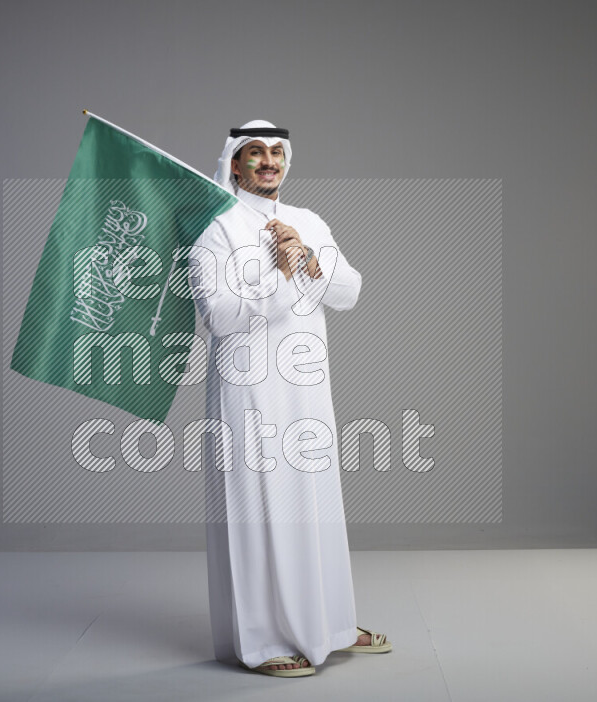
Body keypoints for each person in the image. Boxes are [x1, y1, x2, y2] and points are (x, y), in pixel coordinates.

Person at [188, 120, 391, 677]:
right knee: (256, 509)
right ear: (235, 164)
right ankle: (266, 641)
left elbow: (348, 293)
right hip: (247, 391)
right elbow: (218, 319)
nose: (269, 162)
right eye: (256, 153)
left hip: (307, 391)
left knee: (315, 506)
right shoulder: (215, 230)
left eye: (277, 152)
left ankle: (329, 624)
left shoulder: (308, 221)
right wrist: (280, 278)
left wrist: (309, 259)